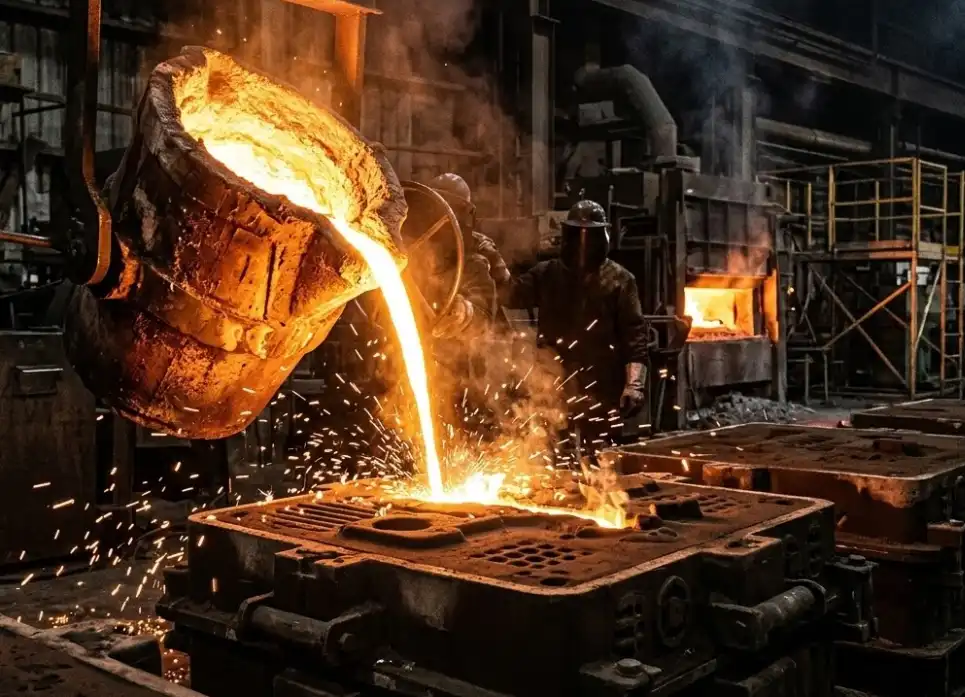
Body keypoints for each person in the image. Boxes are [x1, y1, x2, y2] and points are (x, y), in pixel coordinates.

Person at [499, 199, 649, 453]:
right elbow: (509, 295)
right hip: (551, 383)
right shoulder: (547, 274)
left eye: (589, 236)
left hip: (601, 386)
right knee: (551, 453)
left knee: (601, 459)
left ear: (602, 236)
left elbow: (633, 335)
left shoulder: (620, 281)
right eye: (577, 235)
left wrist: (633, 384)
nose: (583, 245)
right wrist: (493, 263)